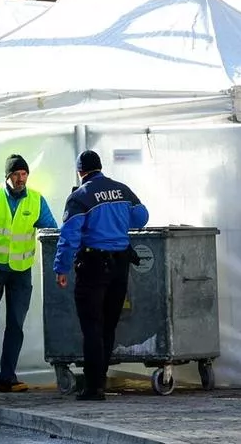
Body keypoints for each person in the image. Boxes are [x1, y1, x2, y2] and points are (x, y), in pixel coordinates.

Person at [54, 150, 149, 401]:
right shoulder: (122, 190)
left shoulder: (80, 197)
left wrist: (61, 268)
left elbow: (69, 236)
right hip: (120, 265)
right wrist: (116, 223)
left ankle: (94, 387)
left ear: (80, 172)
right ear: (100, 167)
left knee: (92, 326)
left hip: (94, 265)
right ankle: (101, 377)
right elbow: (141, 217)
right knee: (108, 325)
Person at [0, 154, 58, 393]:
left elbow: (51, 228)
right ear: (7, 176)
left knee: (15, 326)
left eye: (24, 174)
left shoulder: (36, 200)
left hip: (21, 272)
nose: (21, 179)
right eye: (16, 175)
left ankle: (7, 378)